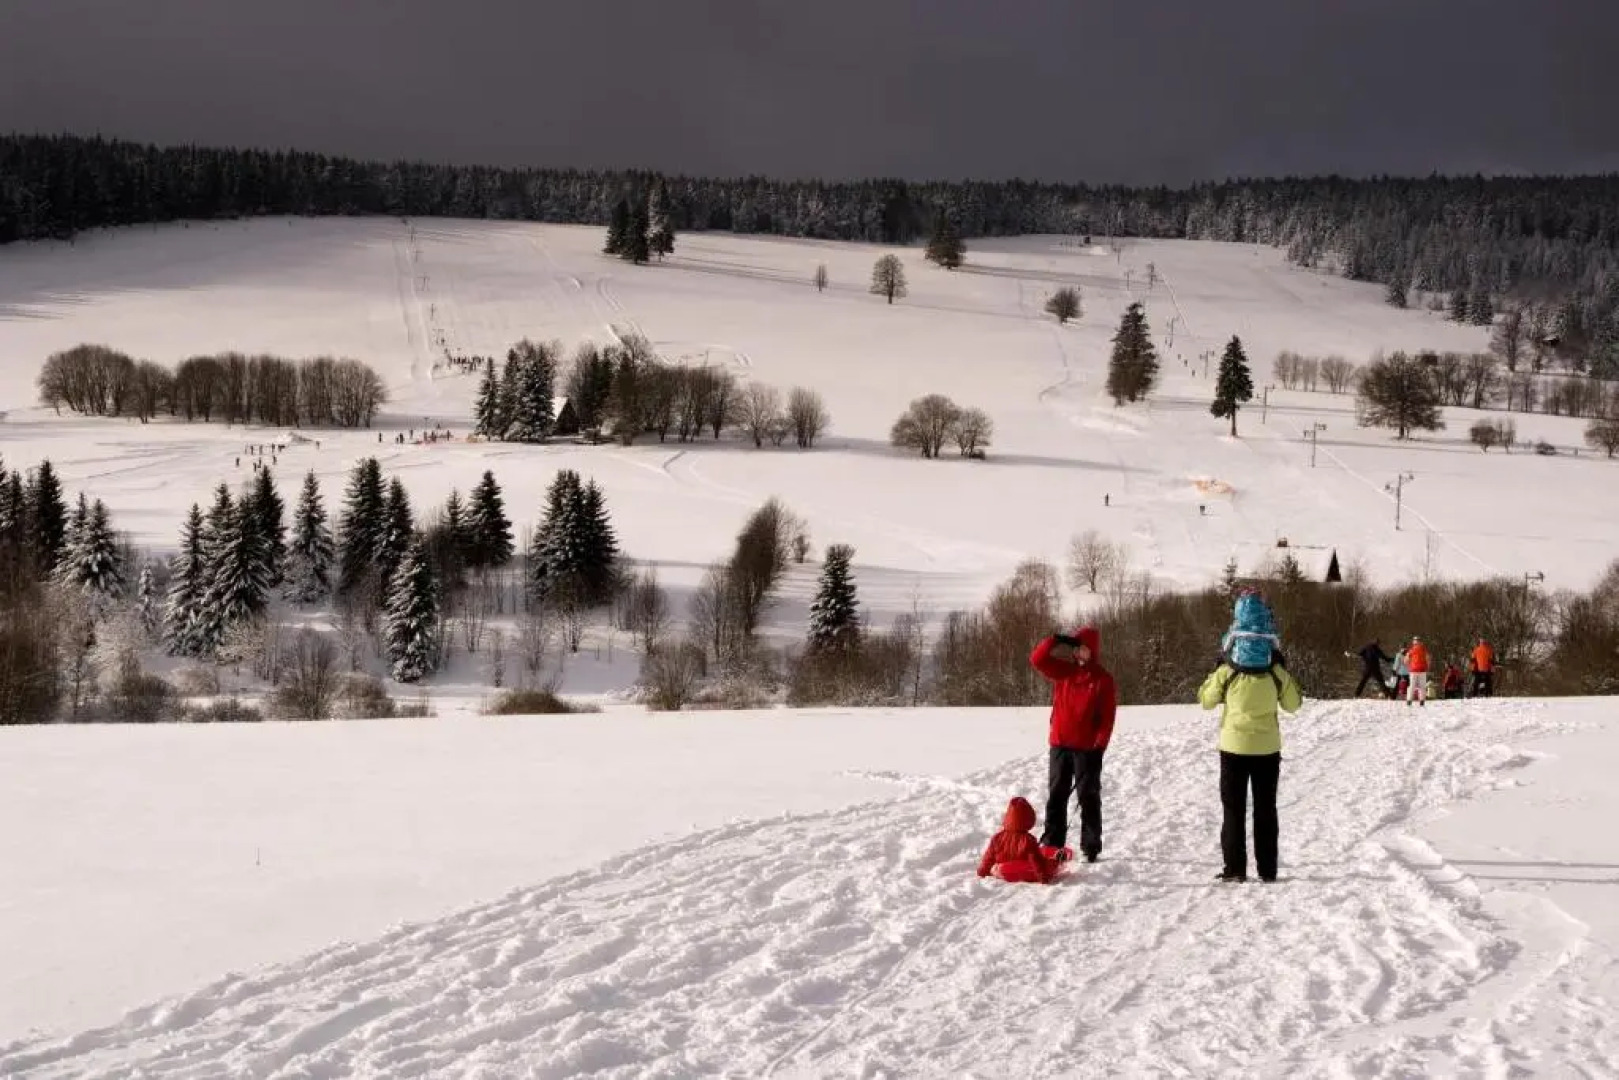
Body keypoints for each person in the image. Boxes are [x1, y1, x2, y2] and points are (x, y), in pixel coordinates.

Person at [1198, 596, 1304, 883]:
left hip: (1233, 749)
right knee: (1265, 809)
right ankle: (1267, 870)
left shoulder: (1228, 670)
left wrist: (1215, 672)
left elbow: (1206, 701)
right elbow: (1294, 704)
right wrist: (1284, 671)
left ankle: (1235, 869)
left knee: (1233, 810)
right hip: (1267, 750)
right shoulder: (1275, 671)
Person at [1029, 626, 1117, 865]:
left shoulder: (1102, 679)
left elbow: (1107, 717)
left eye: (1084, 648)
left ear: (1093, 651)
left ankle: (1091, 845)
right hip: (1059, 744)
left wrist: (1100, 746)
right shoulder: (1064, 671)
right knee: (1056, 794)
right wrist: (1053, 641)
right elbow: (1037, 659)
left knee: (1087, 795)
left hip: (1087, 749)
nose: (1079, 653)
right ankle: (1053, 841)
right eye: (1077, 648)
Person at [976, 797, 1058, 884]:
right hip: (1018, 870)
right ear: (1029, 818)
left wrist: (982, 871)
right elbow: (1036, 861)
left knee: (998, 867)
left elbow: (988, 857)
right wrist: (1043, 877)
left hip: (1001, 869)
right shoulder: (1028, 840)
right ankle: (1058, 858)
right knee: (1047, 864)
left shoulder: (997, 837)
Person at [1405, 636, 1431, 707]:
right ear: (1420, 641)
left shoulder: (1411, 650)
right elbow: (1428, 659)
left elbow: (1406, 660)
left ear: (1414, 642)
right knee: (1422, 686)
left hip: (1413, 671)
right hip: (1422, 670)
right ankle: (1422, 701)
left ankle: (1409, 701)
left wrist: (1408, 667)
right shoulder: (1424, 649)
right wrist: (1428, 667)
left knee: (1412, 686)